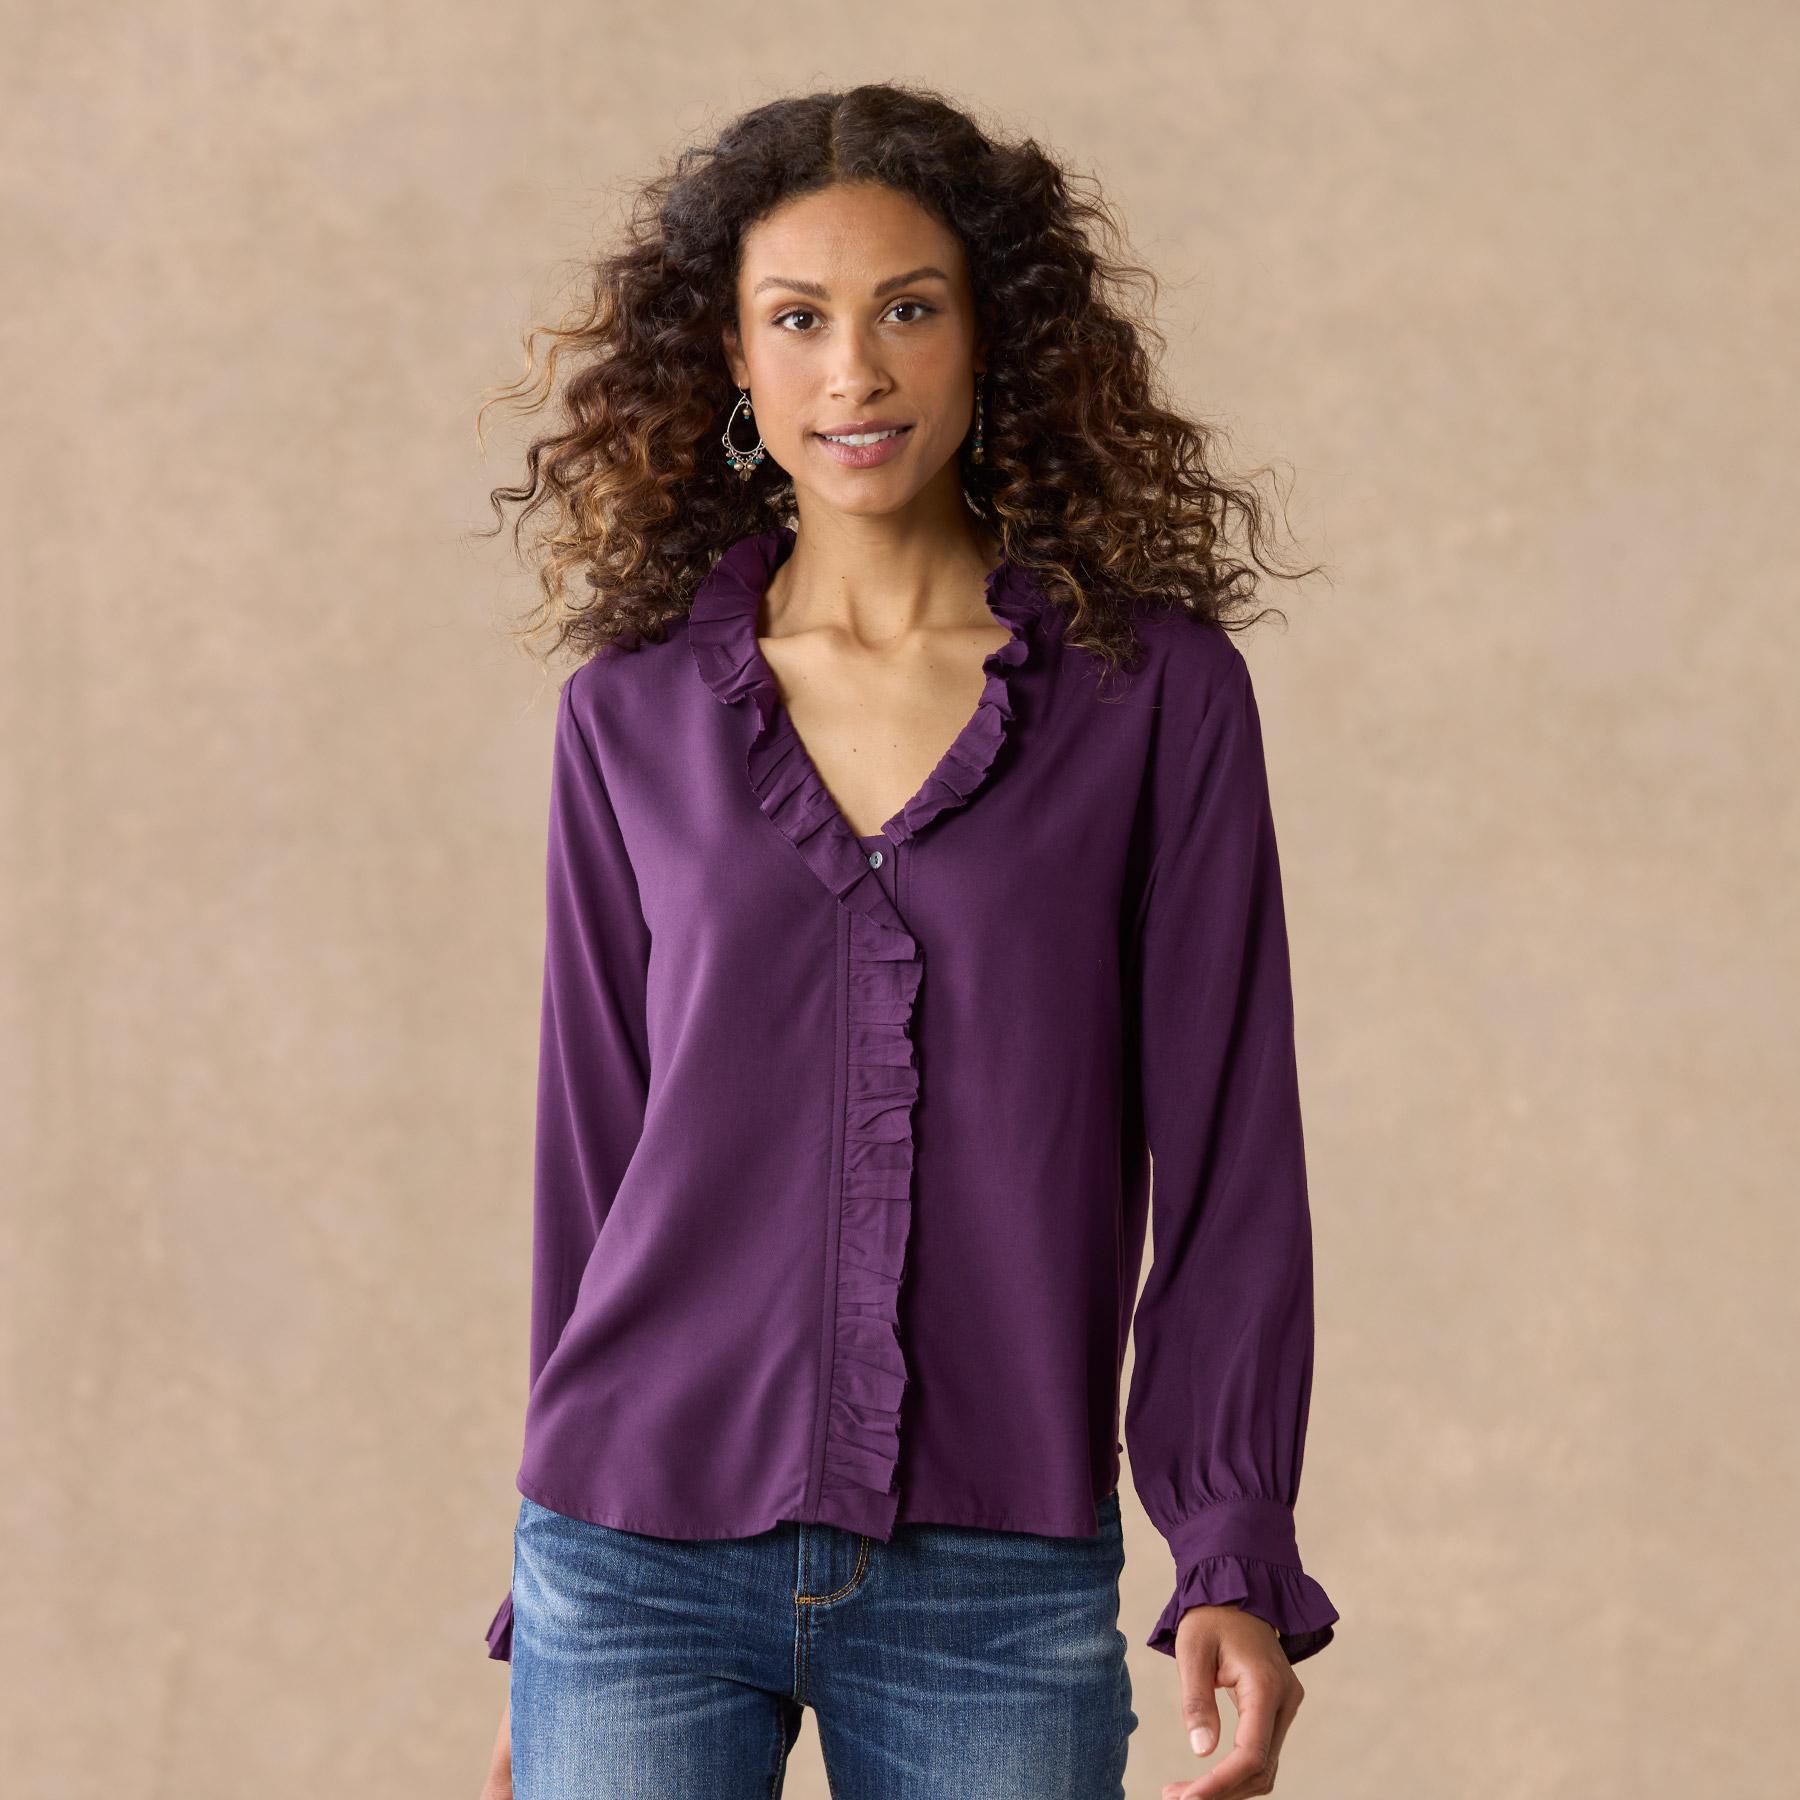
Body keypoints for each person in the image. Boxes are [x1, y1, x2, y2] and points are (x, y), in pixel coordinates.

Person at [472, 80, 1338, 1800]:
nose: (854, 374)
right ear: (732, 358)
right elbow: (596, 1158)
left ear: (990, 337)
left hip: (993, 1580)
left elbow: (1232, 1153)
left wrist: (1229, 1541)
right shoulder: (630, 717)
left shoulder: (1154, 696)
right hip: (631, 1568)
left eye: (909, 311)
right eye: (799, 319)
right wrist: (545, 1621)